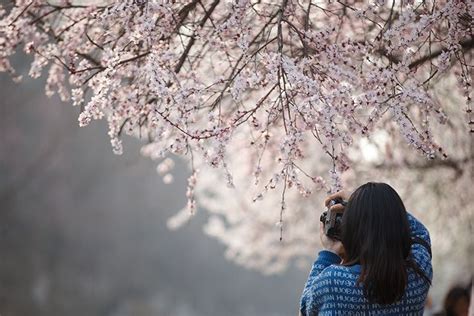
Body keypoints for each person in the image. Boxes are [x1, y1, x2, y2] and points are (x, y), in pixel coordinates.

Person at [299, 182, 433, 315]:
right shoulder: (417, 275)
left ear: (352, 228)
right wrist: (383, 210)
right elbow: (421, 234)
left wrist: (329, 254)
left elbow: (305, 310)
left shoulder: (333, 282)